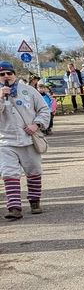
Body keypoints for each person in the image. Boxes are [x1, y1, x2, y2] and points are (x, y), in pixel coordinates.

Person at [0, 61, 51, 219]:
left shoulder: (28, 90)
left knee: (34, 171)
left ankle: (34, 201)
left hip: (28, 139)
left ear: (14, 74)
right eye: (2, 74)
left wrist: (36, 124)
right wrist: (2, 97)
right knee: (10, 173)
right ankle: (14, 208)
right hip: (5, 141)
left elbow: (44, 109)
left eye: (9, 73)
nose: (6, 76)